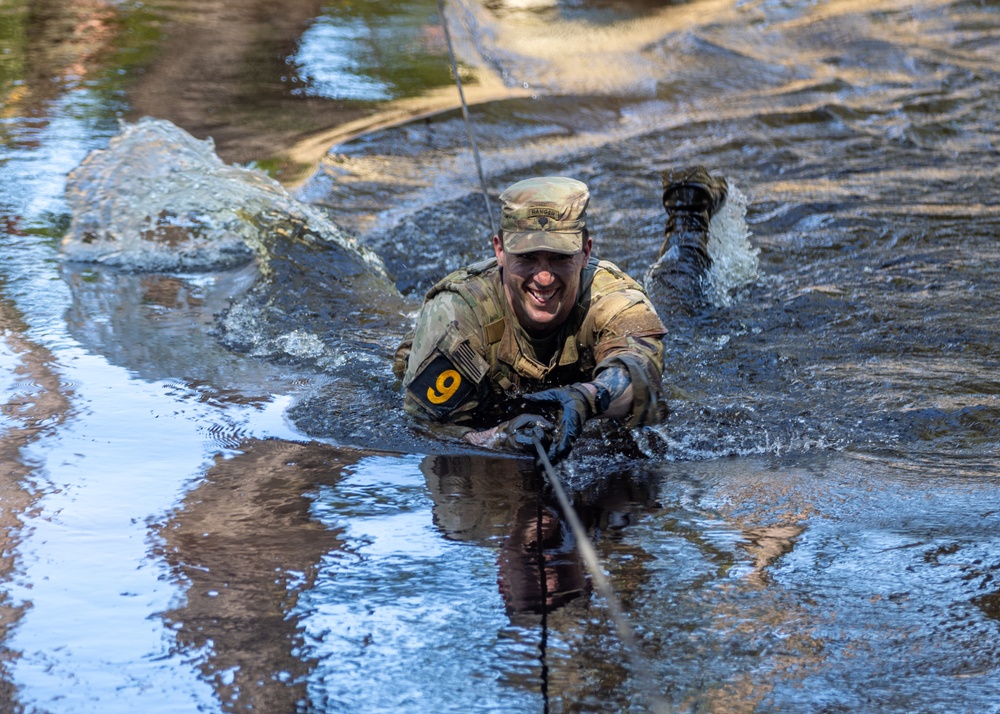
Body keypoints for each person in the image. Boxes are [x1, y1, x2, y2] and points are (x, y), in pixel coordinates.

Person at [393, 167, 727, 461]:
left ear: (585, 252)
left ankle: (689, 220)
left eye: (559, 257)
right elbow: (427, 428)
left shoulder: (612, 297)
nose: (544, 277)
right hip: (473, 380)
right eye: (527, 257)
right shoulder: (457, 315)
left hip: (591, 383)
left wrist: (587, 397)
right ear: (500, 251)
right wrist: (499, 438)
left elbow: (641, 376)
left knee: (679, 303)